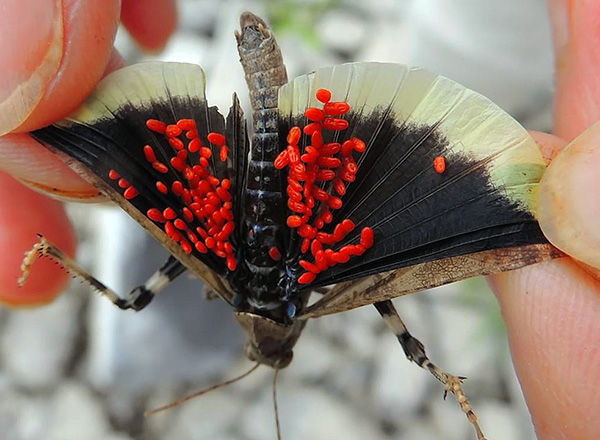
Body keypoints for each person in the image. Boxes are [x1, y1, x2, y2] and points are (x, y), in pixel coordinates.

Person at [0, 1, 598, 438]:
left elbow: (382, 302)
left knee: (69, 143)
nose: (267, 340)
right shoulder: (301, 283)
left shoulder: (236, 273)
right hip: (302, 187)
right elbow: (380, 296)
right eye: (274, 349)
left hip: (229, 198)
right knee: (515, 220)